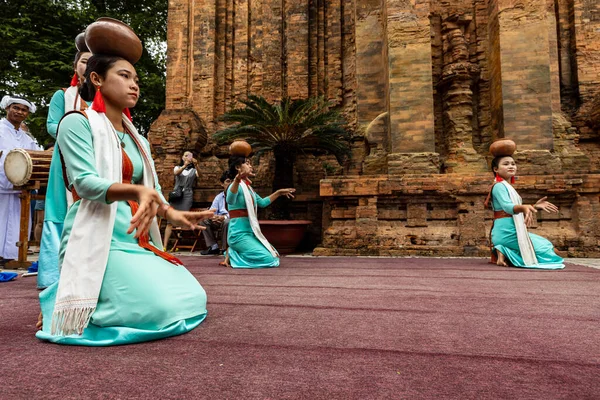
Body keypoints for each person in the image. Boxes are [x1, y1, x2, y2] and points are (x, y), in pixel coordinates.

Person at [36, 21, 214, 346]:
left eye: (136, 79)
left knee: (192, 298)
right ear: (97, 79)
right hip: (97, 239)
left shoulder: (139, 140)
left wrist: (176, 216)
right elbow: (86, 183)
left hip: (134, 239)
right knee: (162, 308)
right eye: (124, 76)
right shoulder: (75, 124)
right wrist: (136, 190)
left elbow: (155, 194)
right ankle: (63, 300)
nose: (134, 85)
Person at [37, 34, 92, 289]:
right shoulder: (63, 95)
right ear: (75, 66)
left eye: (92, 62)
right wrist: (77, 131)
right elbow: (51, 126)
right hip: (64, 159)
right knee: (61, 210)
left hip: (96, 157)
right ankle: (52, 276)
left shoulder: (107, 98)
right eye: (83, 61)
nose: (87, 65)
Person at [485, 146, 565, 270]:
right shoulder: (499, 186)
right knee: (549, 252)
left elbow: (513, 208)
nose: (511, 166)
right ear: (496, 169)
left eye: (513, 163)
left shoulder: (507, 186)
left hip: (511, 230)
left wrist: (534, 206)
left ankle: (503, 251)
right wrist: (524, 207)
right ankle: (503, 250)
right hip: (506, 232)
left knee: (549, 247)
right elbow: (507, 207)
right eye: (506, 164)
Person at [225, 154, 295, 268]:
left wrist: (278, 193)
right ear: (238, 167)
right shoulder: (234, 185)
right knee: (269, 260)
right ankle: (232, 253)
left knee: (274, 255)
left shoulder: (249, 189)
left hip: (250, 233)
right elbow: (230, 200)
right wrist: (237, 179)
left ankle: (233, 251)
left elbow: (262, 203)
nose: (251, 166)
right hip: (238, 234)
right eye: (247, 163)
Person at [0, 95, 40, 266]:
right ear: (7, 108)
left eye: (24, 110)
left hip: (20, 189)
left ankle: (12, 257)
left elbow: (35, 156)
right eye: (16, 108)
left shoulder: (27, 138)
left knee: (17, 222)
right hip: (1, 186)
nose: (19, 112)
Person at [162, 151, 199, 250]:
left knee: (182, 219)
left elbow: (199, 175)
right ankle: (165, 246)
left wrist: (196, 165)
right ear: (182, 158)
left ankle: (176, 245)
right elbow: (176, 173)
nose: (187, 157)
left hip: (187, 196)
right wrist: (184, 166)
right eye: (186, 155)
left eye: (190, 156)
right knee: (170, 221)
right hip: (177, 195)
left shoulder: (193, 170)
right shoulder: (178, 167)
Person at [200, 171, 231, 255]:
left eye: (232, 182)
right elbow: (212, 210)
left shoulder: (237, 196)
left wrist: (223, 217)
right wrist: (213, 217)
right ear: (222, 184)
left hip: (231, 219)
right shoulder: (219, 197)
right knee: (204, 220)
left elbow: (236, 213)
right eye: (228, 181)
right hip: (218, 219)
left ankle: (225, 249)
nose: (230, 184)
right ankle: (213, 247)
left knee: (227, 222)